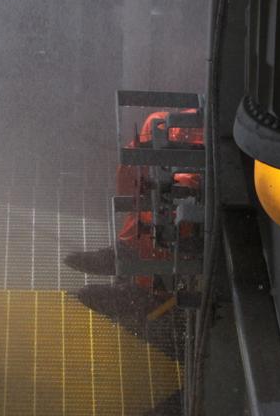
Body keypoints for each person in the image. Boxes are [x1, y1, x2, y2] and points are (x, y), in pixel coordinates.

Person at [63, 109, 204, 329]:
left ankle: (139, 292)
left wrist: (168, 184)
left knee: (167, 207)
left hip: (198, 205)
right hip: (186, 174)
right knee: (149, 199)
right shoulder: (181, 123)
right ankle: (126, 257)